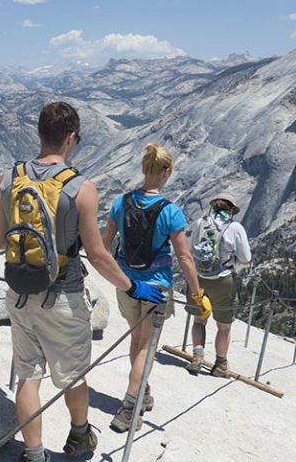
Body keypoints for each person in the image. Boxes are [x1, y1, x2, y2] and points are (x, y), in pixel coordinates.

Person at [0, 102, 165, 462]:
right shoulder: (81, 188)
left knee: (28, 375)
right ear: (71, 138)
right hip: (64, 297)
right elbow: (98, 255)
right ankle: (80, 436)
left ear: (39, 133)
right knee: (73, 376)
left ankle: (34, 454)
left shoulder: (8, 178)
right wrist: (132, 288)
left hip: (20, 292)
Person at [101, 143, 208, 432]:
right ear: (166, 171)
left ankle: (142, 392)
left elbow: (104, 244)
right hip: (157, 288)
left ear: (144, 168)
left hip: (125, 283)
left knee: (137, 341)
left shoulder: (120, 202)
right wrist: (197, 294)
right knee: (147, 347)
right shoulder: (171, 211)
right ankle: (128, 409)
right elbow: (184, 257)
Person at [184, 192, 252, 377]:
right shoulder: (235, 227)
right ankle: (220, 364)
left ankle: (197, 358)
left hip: (198, 279)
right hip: (223, 280)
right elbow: (246, 257)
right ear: (231, 209)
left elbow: (187, 248)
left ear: (213, 206)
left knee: (199, 320)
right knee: (224, 325)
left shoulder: (200, 223)